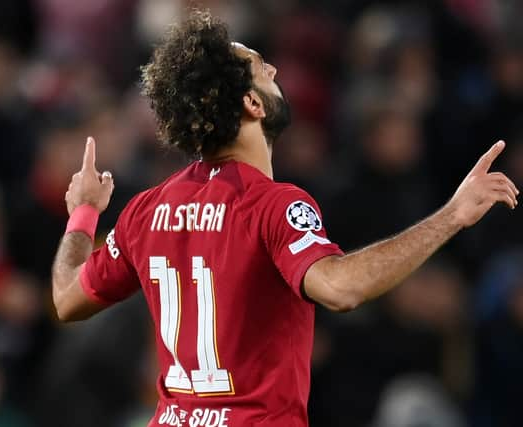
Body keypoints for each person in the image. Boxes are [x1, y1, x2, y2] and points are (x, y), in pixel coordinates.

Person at [51, 10, 518, 427]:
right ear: (252, 104)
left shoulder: (146, 211)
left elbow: (68, 299)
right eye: (260, 67)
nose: (273, 69)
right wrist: (453, 215)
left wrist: (84, 212)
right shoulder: (273, 205)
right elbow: (341, 287)